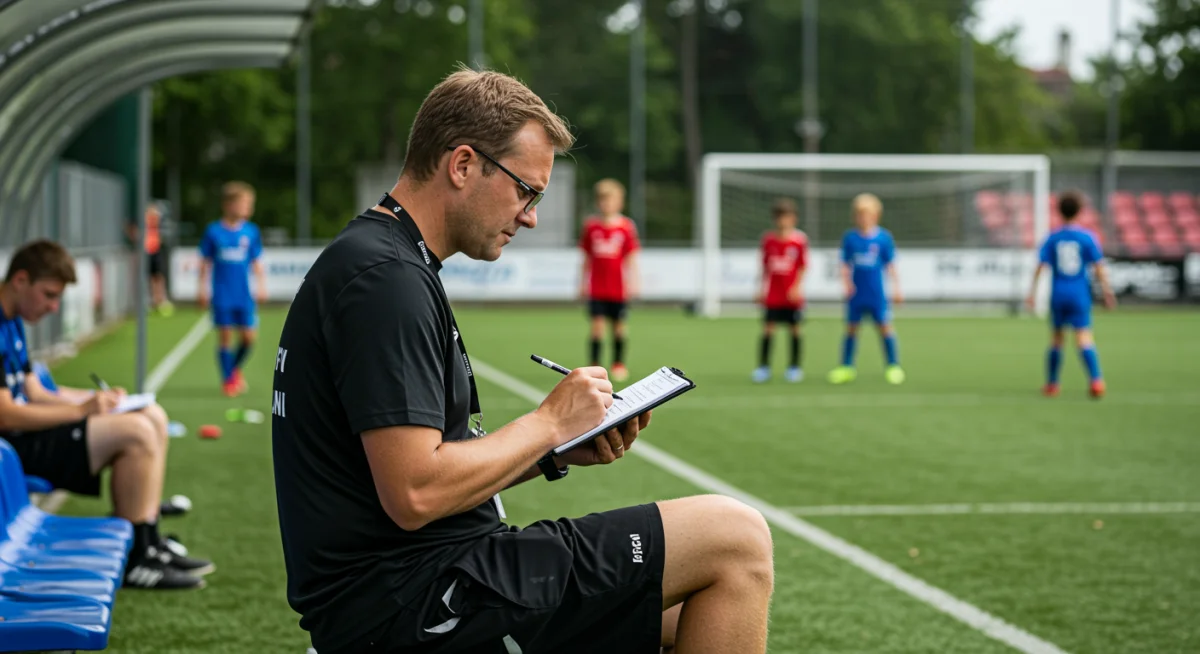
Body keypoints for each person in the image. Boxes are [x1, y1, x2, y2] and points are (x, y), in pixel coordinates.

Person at [272, 67, 774, 654]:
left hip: (421, 586)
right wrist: (546, 423)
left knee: (697, 608)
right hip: (414, 602)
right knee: (733, 537)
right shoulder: (385, 279)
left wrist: (554, 453)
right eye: (525, 190)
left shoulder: (384, 260)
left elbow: (417, 476)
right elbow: (413, 494)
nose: (531, 214)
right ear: (462, 165)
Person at [0, 240, 213, 590]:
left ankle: (148, 541)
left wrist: (97, 399)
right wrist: (81, 411)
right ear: (20, 280)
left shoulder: (12, 320)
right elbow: (5, 415)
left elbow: (35, 392)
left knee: (152, 415)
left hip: (23, 436)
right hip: (12, 449)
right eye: (49, 295)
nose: (53, 307)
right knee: (136, 433)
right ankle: (136, 562)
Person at [1026, 190, 1116, 398]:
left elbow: (1040, 266)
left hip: (1058, 293)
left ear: (1058, 211)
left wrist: (1032, 293)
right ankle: (1096, 380)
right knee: (1083, 337)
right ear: (1080, 212)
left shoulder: (1053, 237)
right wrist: (1107, 291)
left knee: (1057, 339)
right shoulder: (1087, 237)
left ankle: (1052, 384)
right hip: (1079, 293)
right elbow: (1099, 267)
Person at [827, 193, 905, 385]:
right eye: (860, 214)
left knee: (885, 328)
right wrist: (846, 283)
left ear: (876, 215)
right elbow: (845, 263)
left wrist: (896, 288)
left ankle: (893, 366)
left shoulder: (883, 238)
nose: (864, 218)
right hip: (856, 293)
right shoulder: (850, 238)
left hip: (876, 293)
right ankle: (846, 367)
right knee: (851, 329)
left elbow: (890, 265)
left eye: (868, 214)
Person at [198, 182, 266, 397]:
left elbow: (256, 261)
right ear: (228, 205)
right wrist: (201, 289)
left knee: (248, 338)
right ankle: (228, 380)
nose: (248, 208)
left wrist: (262, 285)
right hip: (222, 294)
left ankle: (233, 369)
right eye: (244, 203)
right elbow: (205, 262)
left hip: (243, 295)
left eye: (249, 204)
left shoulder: (251, 231)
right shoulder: (214, 231)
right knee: (225, 336)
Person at [578, 178, 640, 382]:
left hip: (618, 288)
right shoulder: (591, 226)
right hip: (597, 288)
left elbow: (631, 258)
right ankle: (595, 366)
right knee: (596, 328)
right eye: (603, 200)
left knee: (619, 328)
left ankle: (618, 364)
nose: (607, 205)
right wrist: (582, 282)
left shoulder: (626, 227)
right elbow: (586, 258)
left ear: (619, 203)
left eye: (611, 200)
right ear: (598, 203)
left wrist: (634, 282)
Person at [752, 198, 808, 384]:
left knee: (795, 330)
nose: (783, 221)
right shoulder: (768, 240)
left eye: (786, 217)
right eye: (779, 217)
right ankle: (763, 367)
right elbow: (765, 267)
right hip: (773, 295)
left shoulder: (799, 241)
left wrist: (797, 287)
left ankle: (794, 367)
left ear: (793, 219)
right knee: (768, 330)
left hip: (791, 296)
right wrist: (760, 289)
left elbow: (802, 266)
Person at [126, 203, 172, 316]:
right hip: (145, 251)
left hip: (155, 250)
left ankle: (160, 301)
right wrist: (135, 238)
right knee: (147, 278)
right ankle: (149, 301)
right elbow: (130, 227)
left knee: (158, 276)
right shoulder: (141, 218)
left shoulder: (157, 218)